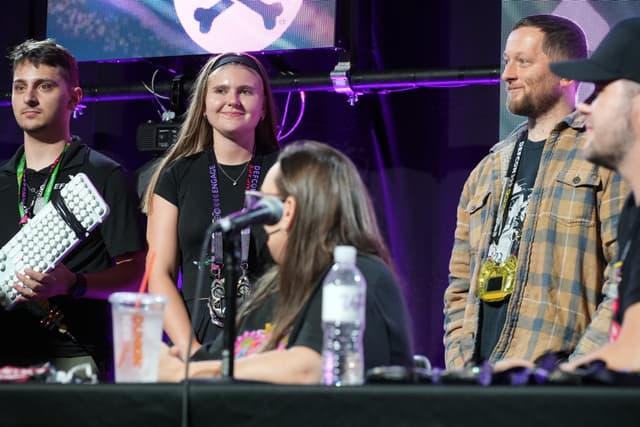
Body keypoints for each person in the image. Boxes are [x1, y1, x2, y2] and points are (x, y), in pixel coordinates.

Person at [443, 14, 629, 369]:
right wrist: (461, 368)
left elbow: (624, 276)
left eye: (523, 62)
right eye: (506, 62)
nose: (507, 74)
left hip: (558, 387)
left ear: (567, 73)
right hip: (481, 383)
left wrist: (575, 373)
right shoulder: (486, 171)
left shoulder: (601, 156)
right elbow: (459, 288)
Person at [158, 141, 414, 383]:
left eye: (262, 204)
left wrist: (190, 373)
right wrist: (166, 358)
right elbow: (214, 357)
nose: (259, 222)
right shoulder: (273, 289)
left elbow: (310, 367)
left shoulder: (358, 275)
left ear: (287, 211)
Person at [0, 39, 146, 375]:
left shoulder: (103, 174)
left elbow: (137, 276)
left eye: (45, 86)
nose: (29, 98)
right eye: (20, 87)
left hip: (75, 356)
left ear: (75, 98)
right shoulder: (3, 179)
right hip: (7, 356)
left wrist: (73, 283)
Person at [143, 52, 280, 360]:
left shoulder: (285, 171)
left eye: (245, 91)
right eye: (221, 90)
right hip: (197, 340)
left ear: (263, 109)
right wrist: (192, 352)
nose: (233, 100)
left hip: (270, 339)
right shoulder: (175, 175)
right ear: (203, 105)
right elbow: (158, 273)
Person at [549, 17, 640, 372]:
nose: (584, 105)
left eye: (600, 90)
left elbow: (634, 355)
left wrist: (543, 383)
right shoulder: (634, 209)